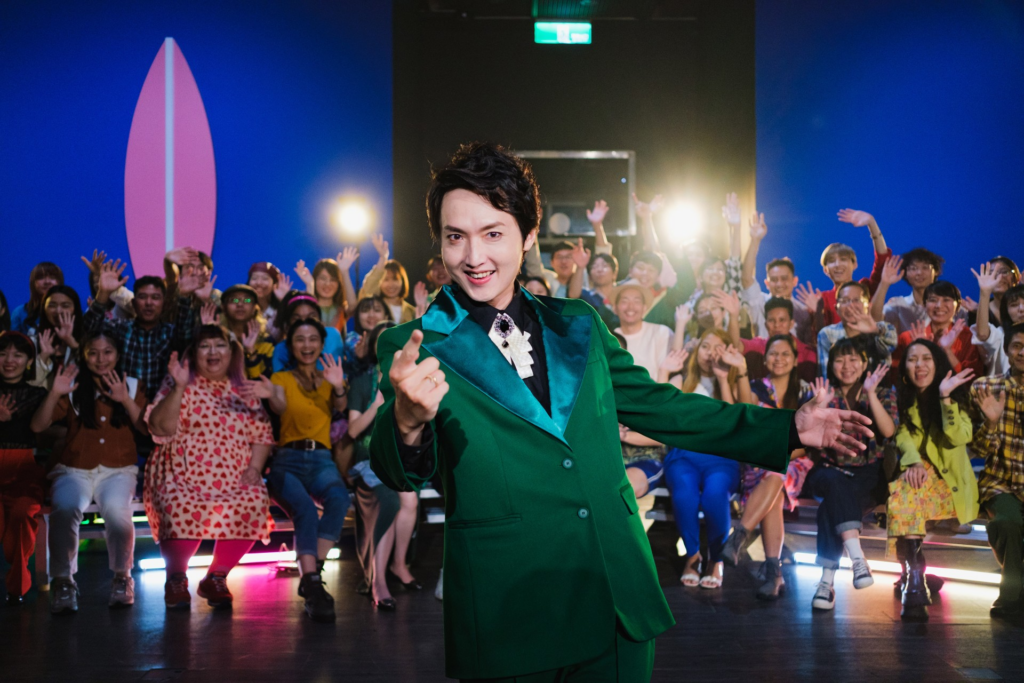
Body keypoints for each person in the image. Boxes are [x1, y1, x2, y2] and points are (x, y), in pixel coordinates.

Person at [370, 142, 872, 681]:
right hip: (509, 604)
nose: (473, 256)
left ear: (529, 235)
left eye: (492, 233)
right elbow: (397, 472)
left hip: (614, 593)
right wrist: (406, 422)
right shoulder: (414, 345)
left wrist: (788, 426)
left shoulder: (579, 323)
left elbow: (660, 406)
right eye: (455, 237)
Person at [144, 326, 276, 610]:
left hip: (233, 472)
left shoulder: (244, 388)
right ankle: (176, 578)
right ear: (194, 353)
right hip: (181, 469)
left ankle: (216, 577)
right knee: (179, 502)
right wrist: (178, 387)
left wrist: (255, 467)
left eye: (220, 345)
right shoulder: (180, 381)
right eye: (205, 346)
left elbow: (262, 434)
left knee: (253, 500)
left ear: (232, 352)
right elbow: (159, 428)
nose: (213, 352)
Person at [29, 332, 148, 613]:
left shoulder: (132, 385)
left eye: (107, 352)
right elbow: (37, 426)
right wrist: (55, 393)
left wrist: (125, 400)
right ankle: (63, 581)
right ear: (83, 355)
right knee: (65, 507)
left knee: (117, 510)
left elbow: (146, 429)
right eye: (93, 352)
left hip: (118, 470)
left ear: (117, 355)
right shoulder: (72, 386)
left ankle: (122, 577)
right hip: (74, 469)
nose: (100, 359)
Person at [252, 318, 350, 623]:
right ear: (291, 346)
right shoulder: (280, 378)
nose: (307, 345)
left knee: (339, 499)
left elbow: (341, 407)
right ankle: (313, 583)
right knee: (305, 510)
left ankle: (310, 577)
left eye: (312, 339)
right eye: (300, 339)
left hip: (321, 459)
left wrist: (338, 385)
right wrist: (272, 395)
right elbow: (280, 407)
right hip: (287, 460)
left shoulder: (329, 376)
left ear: (321, 344)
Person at [803, 341, 896, 612]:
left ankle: (826, 582)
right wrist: (816, 407)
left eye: (854, 359)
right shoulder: (822, 393)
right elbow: (806, 439)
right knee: (834, 484)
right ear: (831, 365)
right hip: (828, 470)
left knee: (831, 507)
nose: (847, 366)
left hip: (869, 474)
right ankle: (857, 558)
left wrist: (871, 394)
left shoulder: (882, 392)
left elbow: (888, 431)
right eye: (840, 360)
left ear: (865, 363)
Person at [888, 338, 977, 621]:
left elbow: (959, 436)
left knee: (904, 495)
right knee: (905, 491)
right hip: (917, 474)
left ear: (937, 363)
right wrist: (913, 462)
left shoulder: (955, 395)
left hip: (948, 482)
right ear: (905, 368)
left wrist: (945, 398)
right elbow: (902, 436)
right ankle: (916, 580)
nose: (920, 365)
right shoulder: (903, 399)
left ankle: (912, 577)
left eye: (926, 358)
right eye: (912, 359)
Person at [721, 334, 813, 600]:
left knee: (777, 472)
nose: (779, 359)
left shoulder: (805, 392)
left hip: (793, 459)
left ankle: (738, 536)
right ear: (765, 359)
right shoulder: (756, 387)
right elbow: (746, 414)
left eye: (785, 354)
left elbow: (809, 441)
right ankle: (774, 574)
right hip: (758, 461)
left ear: (795, 360)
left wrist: (779, 453)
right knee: (775, 488)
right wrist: (740, 370)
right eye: (773, 353)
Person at [663, 330, 750, 590]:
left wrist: (723, 379)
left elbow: (737, 422)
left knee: (715, 494)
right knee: (684, 493)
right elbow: (661, 413)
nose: (710, 352)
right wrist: (664, 372)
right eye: (705, 346)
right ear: (696, 351)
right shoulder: (681, 381)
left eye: (717, 347)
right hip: (684, 454)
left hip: (721, 457)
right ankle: (692, 555)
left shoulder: (732, 383)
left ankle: (716, 558)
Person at [347, 321, 418, 612]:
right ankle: (378, 581)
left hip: (399, 457)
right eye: (383, 342)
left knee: (410, 500)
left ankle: (399, 564)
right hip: (368, 458)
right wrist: (377, 403)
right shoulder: (363, 382)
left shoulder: (409, 379)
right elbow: (353, 430)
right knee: (391, 500)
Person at [83, 260, 202, 401]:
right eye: (142, 297)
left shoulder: (170, 332)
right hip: (123, 406)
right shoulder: (120, 328)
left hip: (162, 406)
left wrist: (185, 297)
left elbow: (186, 335)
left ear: (164, 304)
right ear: (133, 303)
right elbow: (88, 330)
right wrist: (103, 293)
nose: (149, 303)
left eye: (155, 297)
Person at [970, 323, 1024, 618]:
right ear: (1007, 350)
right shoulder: (986, 388)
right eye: (1017, 346)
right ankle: (1012, 599)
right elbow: (977, 450)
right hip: (1000, 482)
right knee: (1007, 523)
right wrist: (991, 423)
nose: (1022, 352)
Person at [0, 331, 48, 603]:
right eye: (2, 354)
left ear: (29, 361)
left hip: (23, 470)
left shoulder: (36, 394)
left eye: (17, 355)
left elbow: (40, 427)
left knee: (22, 512)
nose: (9, 360)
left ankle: (18, 584)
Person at [740, 212, 816, 346]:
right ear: (767, 283)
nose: (779, 284)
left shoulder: (803, 312)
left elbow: (810, 346)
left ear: (794, 281)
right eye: (774, 280)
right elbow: (746, 279)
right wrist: (755, 241)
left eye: (784, 278)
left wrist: (817, 314)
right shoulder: (759, 303)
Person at [817, 209, 892, 327]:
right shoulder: (822, 299)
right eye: (831, 261)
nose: (837, 264)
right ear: (825, 270)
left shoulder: (866, 288)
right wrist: (816, 311)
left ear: (855, 264)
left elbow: (882, 260)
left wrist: (871, 223)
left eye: (843, 259)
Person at [891, 281, 983, 377]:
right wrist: (920, 348)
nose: (939, 306)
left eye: (946, 300)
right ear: (924, 305)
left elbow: (971, 379)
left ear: (958, 306)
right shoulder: (907, 338)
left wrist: (947, 351)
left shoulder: (969, 338)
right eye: (933, 300)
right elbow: (897, 377)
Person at [817, 281, 898, 377]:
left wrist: (876, 330)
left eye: (856, 300)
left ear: (868, 305)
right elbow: (825, 376)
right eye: (844, 301)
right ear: (836, 308)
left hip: (878, 385)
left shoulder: (880, 329)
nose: (851, 305)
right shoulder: (827, 334)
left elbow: (892, 343)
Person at [740, 298, 817, 382]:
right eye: (771, 320)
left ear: (791, 324)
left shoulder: (808, 353)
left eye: (782, 320)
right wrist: (733, 316)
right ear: (766, 325)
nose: (777, 325)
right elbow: (737, 345)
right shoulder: (759, 345)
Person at [270, 293, 346, 373]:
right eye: (297, 320)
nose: (305, 325)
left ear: (320, 321)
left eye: (311, 318)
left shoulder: (333, 336)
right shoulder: (281, 350)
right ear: (288, 326)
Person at [877, 247, 946, 335]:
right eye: (913, 268)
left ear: (936, 271)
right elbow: (876, 320)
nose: (919, 272)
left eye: (925, 267)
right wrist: (884, 283)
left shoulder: (948, 306)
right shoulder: (898, 305)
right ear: (905, 273)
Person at [612, 283, 673, 380]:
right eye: (624, 301)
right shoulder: (609, 339)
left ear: (645, 308)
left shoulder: (661, 332)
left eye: (636, 301)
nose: (630, 307)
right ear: (615, 308)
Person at [971, 265, 1024, 376]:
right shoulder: (1000, 334)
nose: (1021, 309)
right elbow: (982, 334)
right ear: (1006, 311)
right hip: (1002, 386)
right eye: (1014, 305)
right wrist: (985, 293)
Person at [295, 248, 359, 331]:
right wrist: (310, 285)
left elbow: (353, 306)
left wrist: (344, 272)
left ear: (339, 284)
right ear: (315, 279)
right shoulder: (304, 306)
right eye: (323, 278)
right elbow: (308, 313)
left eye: (333, 279)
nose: (327, 284)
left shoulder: (341, 310)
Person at [220, 284, 275, 379]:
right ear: (224, 308)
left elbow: (265, 381)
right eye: (234, 300)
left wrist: (251, 351)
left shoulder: (267, 342)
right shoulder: (218, 338)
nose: (240, 304)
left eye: (247, 300)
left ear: (255, 308)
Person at [32, 285, 84, 387]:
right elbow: (31, 382)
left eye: (65, 306)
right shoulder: (34, 336)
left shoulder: (87, 336)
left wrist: (72, 343)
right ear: (44, 308)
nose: (58, 311)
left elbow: (95, 369)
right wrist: (43, 356)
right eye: (52, 305)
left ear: (75, 309)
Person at [360, 236, 417, 324]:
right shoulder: (375, 306)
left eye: (395, 279)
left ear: (402, 281)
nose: (391, 284)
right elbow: (368, 288)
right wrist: (383, 258)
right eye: (385, 280)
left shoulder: (412, 311)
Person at [10, 261, 63, 334]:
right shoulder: (19, 312)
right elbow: (12, 340)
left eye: (52, 277)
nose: (47, 282)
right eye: (41, 277)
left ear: (60, 282)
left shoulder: (70, 310)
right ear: (33, 283)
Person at [247, 261, 293, 338]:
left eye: (265, 279)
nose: (259, 283)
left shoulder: (279, 310)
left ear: (275, 283)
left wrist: (284, 300)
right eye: (254, 278)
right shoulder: (244, 304)